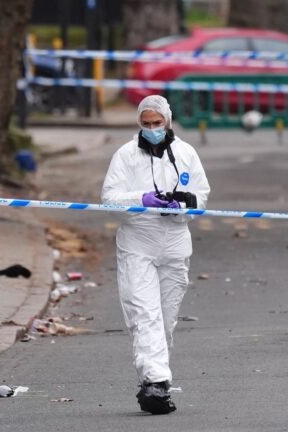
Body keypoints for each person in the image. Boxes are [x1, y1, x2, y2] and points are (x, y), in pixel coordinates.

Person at [101, 95, 210, 415]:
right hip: (138, 241)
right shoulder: (125, 155)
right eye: (145, 124)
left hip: (175, 241)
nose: (151, 129)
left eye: (156, 123)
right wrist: (142, 199)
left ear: (168, 122)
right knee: (143, 312)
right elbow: (109, 198)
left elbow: (202, 196)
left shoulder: (186, 153)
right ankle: (156, 383)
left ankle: (155, 379)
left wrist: (184, 203)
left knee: (165, 318)